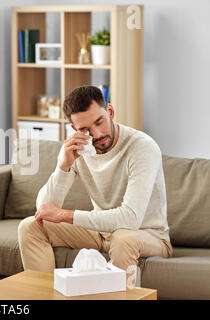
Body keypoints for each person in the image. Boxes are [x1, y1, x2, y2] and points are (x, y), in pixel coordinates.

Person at [18, 85, 173, 287]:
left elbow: (130, 219)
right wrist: (63, 166)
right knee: (30, 226)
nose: (97, 134)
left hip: (148, 236)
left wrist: (65, 215)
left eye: (99, 121)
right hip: (102, 232)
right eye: (85, 129)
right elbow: (44, 209)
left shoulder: (142, 147)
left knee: (123, 238)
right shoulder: (78, 149)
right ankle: (45, 296)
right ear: (75, 129)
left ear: (110, 111)